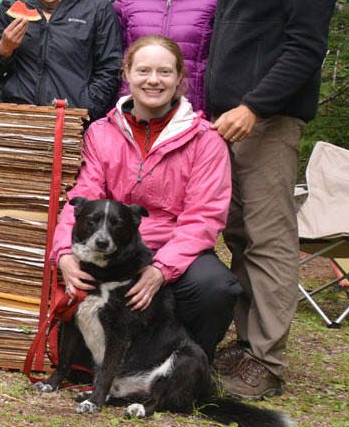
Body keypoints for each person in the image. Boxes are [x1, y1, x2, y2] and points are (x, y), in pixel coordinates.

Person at [204, 0, 341, 400]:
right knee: (238, 233)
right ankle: (247, 341)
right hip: (231, 118)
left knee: (268, 236)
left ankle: (266, 360)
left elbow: (305, 48)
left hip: (265, 119)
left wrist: (254, 106)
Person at [50, 35, 241, 360]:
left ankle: (187, 366)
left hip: (176, 252)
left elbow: (203, 218)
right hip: (114, 250)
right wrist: (64, 253)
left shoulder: (206, 140)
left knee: (216, 287)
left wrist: (160, 269)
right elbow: (81, 199)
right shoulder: (100, 133)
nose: (153, 80)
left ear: (180, 79)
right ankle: (101, 363)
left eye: (164, 72)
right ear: (126, 74)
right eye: (143, 71)